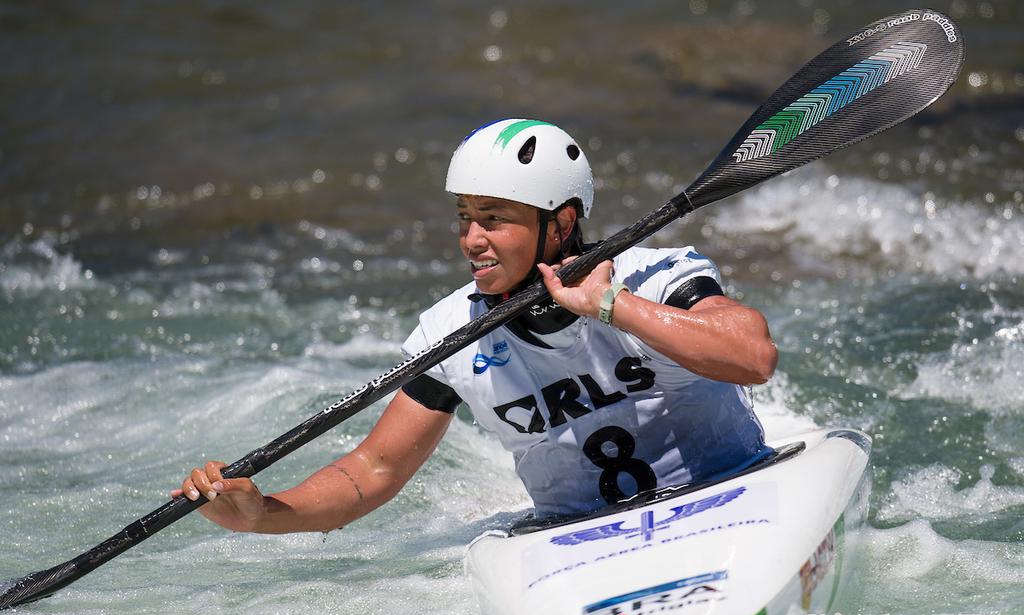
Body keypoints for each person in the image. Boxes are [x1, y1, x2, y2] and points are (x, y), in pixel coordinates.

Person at [172, 118, 778, 530]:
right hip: (573, 538)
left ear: (562, 223)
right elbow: (374, 469)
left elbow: (752, 356)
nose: (471, 240)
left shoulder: (655, 276)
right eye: (464, 217)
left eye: (493, 218)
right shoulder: (450, 333)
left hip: (730, 490)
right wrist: (265, 513)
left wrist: (610, 305)